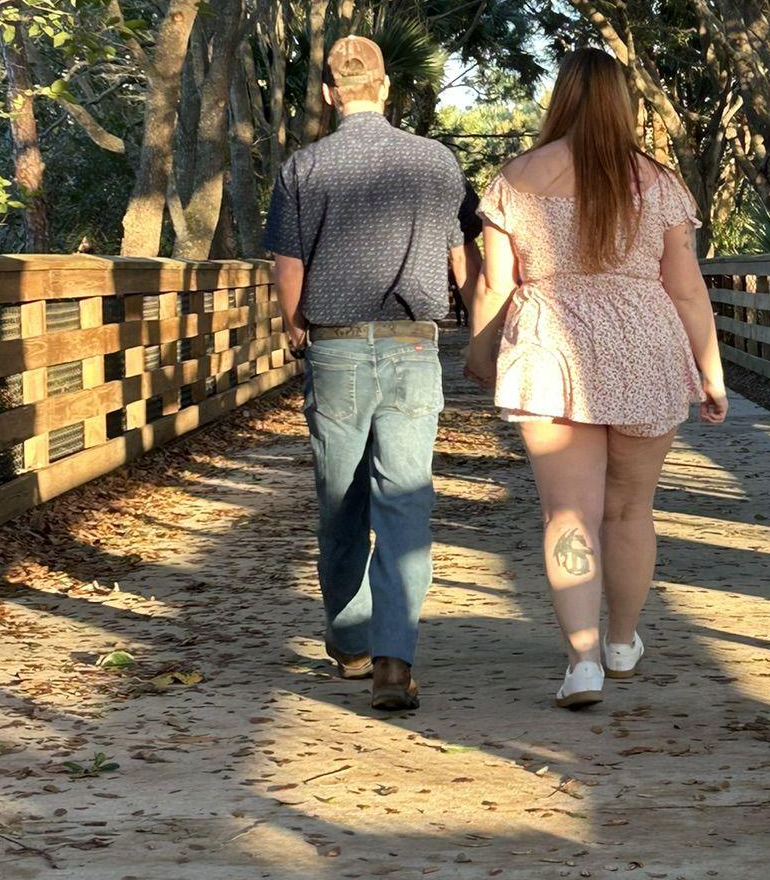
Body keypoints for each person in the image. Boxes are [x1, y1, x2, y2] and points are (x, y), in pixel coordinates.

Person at [466, 48, 728, 709]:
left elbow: (496, 284)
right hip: (643, 346)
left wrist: (481, 352)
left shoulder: (515, 179)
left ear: (562, 97)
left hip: (549, 349)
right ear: (623, 102)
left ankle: (581, 663)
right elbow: (687, 288)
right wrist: (712, 372)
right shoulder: (658, 183)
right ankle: (621, 642)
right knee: (631, 509)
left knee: (568, 512)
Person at [265, 36, 481, 712]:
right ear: (385, 87)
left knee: (341, 503)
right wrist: (484, 331)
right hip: (413, 348)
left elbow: (288, 265)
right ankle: (394, 658)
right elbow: (462, 259)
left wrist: (294, 327)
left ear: (331, 93)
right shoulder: (435, 161)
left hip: (335, 350)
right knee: (405, 502)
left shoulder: (304, 167)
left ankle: (352, 643)